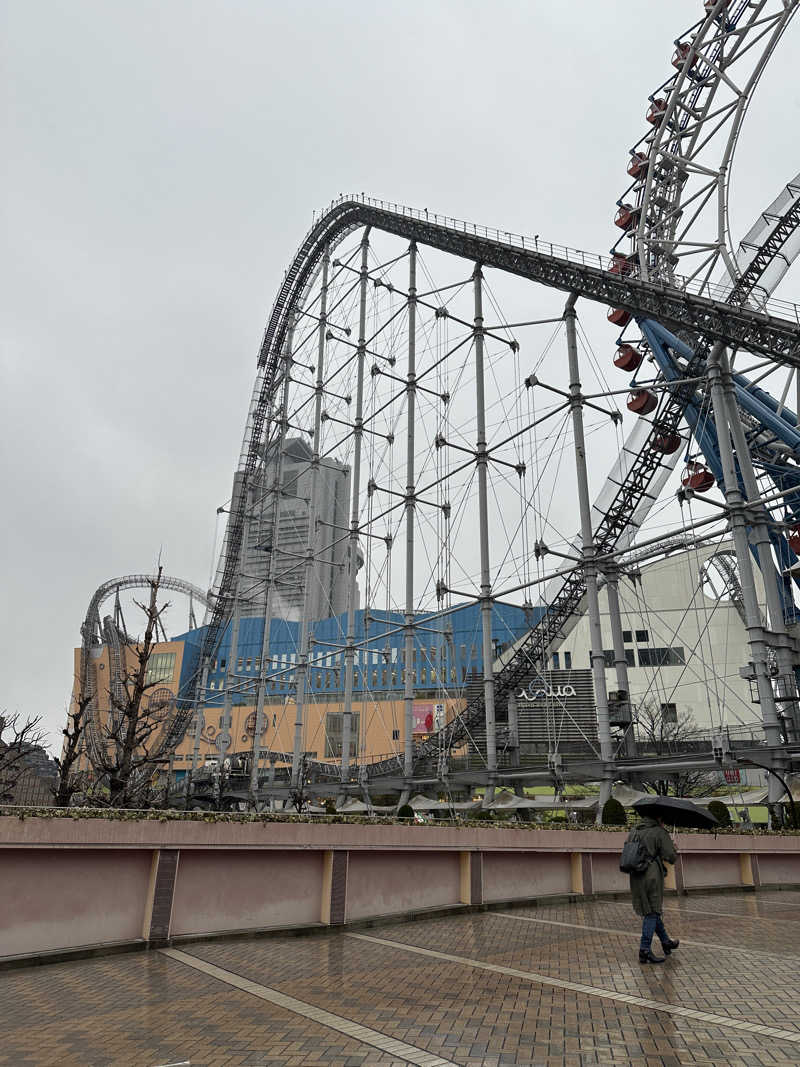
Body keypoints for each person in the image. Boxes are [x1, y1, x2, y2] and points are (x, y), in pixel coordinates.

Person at [628, 814, 680, 964]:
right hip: (651, 876)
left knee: (651, 910)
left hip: (636, 875)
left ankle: (666, 942)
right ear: (659, 818)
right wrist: (674, 847)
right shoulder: (658, 832)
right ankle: (644, 949)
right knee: (652, 912)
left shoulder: (635, 830)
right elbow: (670, 856)